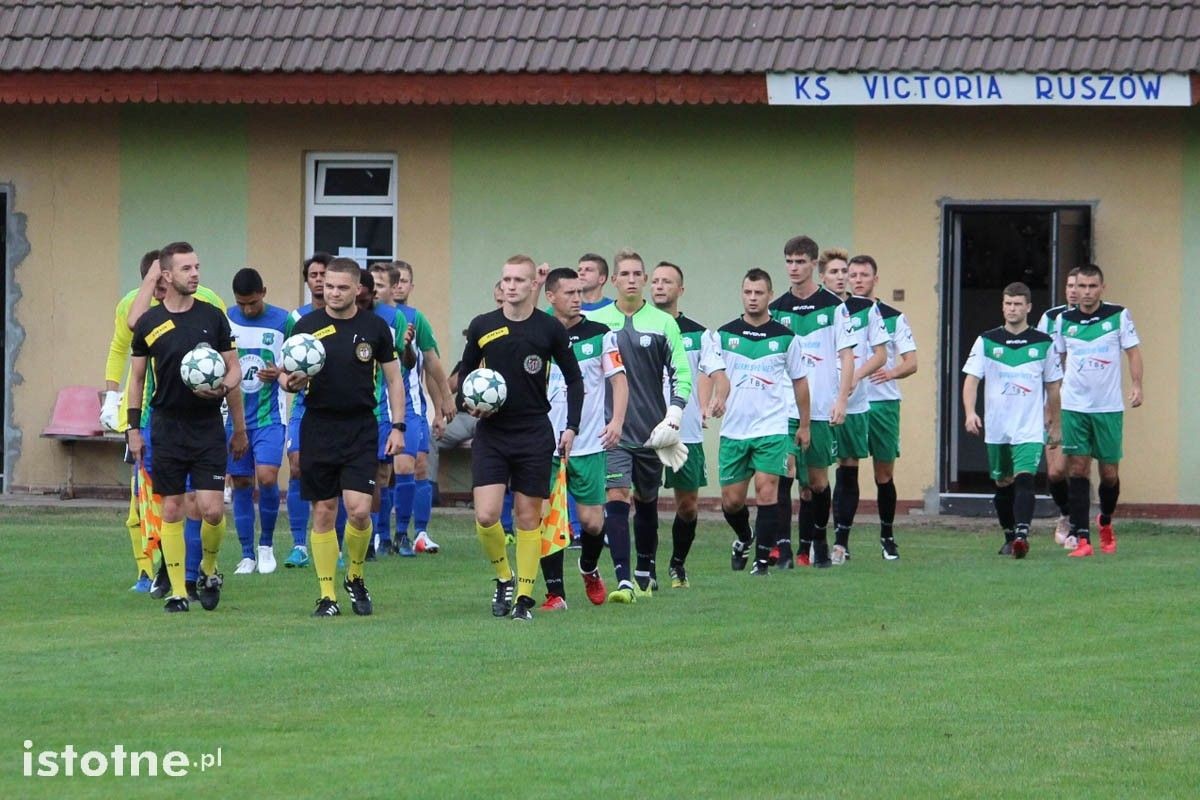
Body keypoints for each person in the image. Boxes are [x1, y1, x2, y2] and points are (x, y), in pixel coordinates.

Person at [458, 254, 583, 622]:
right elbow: (466, 377)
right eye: (506, 279)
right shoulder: (483, 325)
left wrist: (571, 426)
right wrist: (471, 405)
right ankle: (503, 577)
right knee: (486, 515)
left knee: (529, 517)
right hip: (493, 433)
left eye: (518, 280)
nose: (510, 286)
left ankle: (525, 598)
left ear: (533, 286)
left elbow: (574, 379)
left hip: (533, 431)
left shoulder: (549, 329)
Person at [282, 258, 407, 617]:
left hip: (360, 428)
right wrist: (290, 381)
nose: (333, 292)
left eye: (341, 287)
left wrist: (398, 427)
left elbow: (394, 379)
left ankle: (355, 575)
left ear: (357, 289)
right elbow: (288, 375)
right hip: (318, 426)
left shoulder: (376, 328)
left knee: (360, 511)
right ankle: (327, 596)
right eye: (328, 286)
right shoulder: (306, 327)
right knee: (323, 510)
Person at [126, 241, 247, 612]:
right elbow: (136, 379)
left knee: (212, 510)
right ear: (166, 275)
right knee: (173, 508)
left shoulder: (213, 317)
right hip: (166, 426)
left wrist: (225, 392)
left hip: (207, 425)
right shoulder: (149, 322)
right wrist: (133, 428)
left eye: (197, 267)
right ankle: (178, 591)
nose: (195, 274)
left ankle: (209, 569)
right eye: (186, 269)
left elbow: (234, 367)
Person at [587, 249, 693, 601]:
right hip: (610, 428)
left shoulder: (664, 324)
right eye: (625, 274)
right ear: (613, 280)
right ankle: (623, 581)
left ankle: (644, 569)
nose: (631, 279)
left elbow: (682, 371)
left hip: (651, 430)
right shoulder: (598, 321)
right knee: (617, 496)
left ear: (644, 280)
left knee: (647, 499)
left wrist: (675, 414)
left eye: (637, 274)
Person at [708, 269, 810, 576]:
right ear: (742, 294)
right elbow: (713, 374)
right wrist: (712, 400)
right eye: (748, 292)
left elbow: (801, 384)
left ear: (769, 295)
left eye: (759, 293)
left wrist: (804, 425)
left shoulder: (785, 338)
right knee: (732, 501)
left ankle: (761, 562)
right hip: (734, 430)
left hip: (772, 429)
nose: (753, 298)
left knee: (767, 492)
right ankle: (744, 537)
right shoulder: (723, 335)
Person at [540, 268, 628, 609]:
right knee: (549, 518)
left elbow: (619, 381)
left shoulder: (601, 334)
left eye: (580, 292)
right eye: (569, 293)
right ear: (551, 297)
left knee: (592, 522)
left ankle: (589, 568)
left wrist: (616, 421)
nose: (578, 299)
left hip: (589, 442)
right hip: (545, 443)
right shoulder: (539, 332)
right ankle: (555, 594)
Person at [769, 235, 854, 568]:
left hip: (819, 409)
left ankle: (818, 537)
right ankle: (783, 549)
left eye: (800, 261)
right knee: (782, 474)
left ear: (813, 265)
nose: (793, 267)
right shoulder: (776, 308)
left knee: (816, 484)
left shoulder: (834, 307)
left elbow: (847, 356)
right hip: (784, 410)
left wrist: (842, 400)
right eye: (789, 261)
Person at [962, 282, 1063, 558]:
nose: (1012, 309)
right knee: (1002, 483)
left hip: (1029, 426)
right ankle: (1009, 536)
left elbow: (1054, 386)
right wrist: (970, 412)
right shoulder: (987, 340)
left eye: (1018, 304)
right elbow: (971, 380)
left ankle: (1022, 534)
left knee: (1025, 478)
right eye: (1008, 304)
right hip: (997, 427)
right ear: (1002, 306)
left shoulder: (1043, 343)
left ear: (1028, 307)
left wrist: (1055, 422)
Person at [1053, 264, 1143, 558]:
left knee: (1109, 474)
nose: (1086, 293)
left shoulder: (1117, 315)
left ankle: (1105, 519)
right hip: (1074, 405)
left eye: (1092, 287)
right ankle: (1082, 539)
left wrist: (1137, 385)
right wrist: (1051, 404)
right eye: (1081, 287)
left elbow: (1133, 352)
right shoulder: (1064, 320)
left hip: (1108, 408)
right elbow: (1056, 362)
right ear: (1074, 289)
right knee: (1077, 468)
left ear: (1102, 288)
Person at [650, 261, 724, 586]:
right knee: (642, 499)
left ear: (680, 290)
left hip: (686, 431)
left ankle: (678, 563)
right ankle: (645, 569)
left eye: (668, 281)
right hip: (646, 430)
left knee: (688, 506)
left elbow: (717, 373)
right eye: (656, 281)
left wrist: (717, 397)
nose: (660, 286)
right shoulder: (637, 328)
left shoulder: (699, 333)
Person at [384, 260, 454, 557]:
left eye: (404, 281)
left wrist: (441, 408)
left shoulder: (416, 318)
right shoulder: (372, 316)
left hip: (412, 406)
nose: (399, 285)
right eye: (394, 280)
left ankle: (418, 531)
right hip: (377, 407)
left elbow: (432, 366)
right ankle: (382, 534)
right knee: (387, 470)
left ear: (411, 286)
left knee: (415, 466)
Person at [853, 255, 918, 561]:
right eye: (853, 275)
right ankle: (841, 541)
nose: (857, 280)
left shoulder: (893, 317)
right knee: (847, 470)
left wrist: (891, 372)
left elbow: (912, 362)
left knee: (883, 474)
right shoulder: (839, 316)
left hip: (883, 404)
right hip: (852, 404)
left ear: (875, 280)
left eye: (864, 275)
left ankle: (887, 536)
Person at [226, 267, 290, 575]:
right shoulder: (224, 320)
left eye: (252, 302)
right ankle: (246, 553)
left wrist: (279, 372)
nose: (248, 309)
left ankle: (266, 545)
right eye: (242, 304)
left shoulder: (284, 321)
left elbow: (300, 363)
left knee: (266, 477)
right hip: (233, 417)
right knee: (240, 481)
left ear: (263, 292)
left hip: (270, 416)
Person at [829, 256, 889, 564]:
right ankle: (799, 545)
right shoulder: (815, 309)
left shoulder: (866, 310)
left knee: (847, 469)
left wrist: (855, 375)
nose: (843, 278)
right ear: (823, 276)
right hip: (815, 404)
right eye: (837, 272)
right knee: (808, 477)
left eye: (846, 273)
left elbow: (881, 355)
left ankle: (841, 542)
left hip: (854, 404)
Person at [282, 252, 331, 569]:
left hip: (337, 409)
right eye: (313, 274)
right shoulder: (296, 319)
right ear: (307, 280)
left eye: (323, 274)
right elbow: (284, 367)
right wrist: (289, 383)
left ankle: (333, 545)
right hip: (303, 406)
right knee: (298, 466)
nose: (318, 280)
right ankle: (299, 543)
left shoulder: (345, 319)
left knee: (334, 475)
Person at [1036, 267, 1080, 547]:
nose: (1074, 290)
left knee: (1077, 467)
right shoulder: (1051, 318)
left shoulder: (1095, 320)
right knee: (1054, 472)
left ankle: (1078, 526)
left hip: (1080, 403)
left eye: (1080, 285)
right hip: (1052, 401)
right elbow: (1039, 356)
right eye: (1070, 285)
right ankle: (1066, 514)